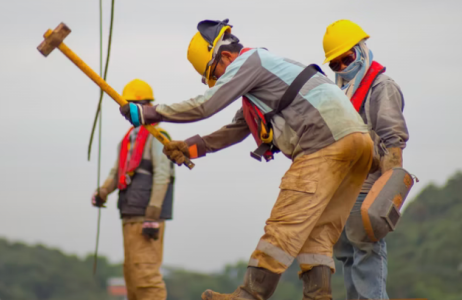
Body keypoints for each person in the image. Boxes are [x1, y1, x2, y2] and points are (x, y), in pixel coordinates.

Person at [120, 19, 373, 300]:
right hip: (357, 144)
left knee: (282, 227)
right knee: (318, 235)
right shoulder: (268, 72)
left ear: (226, 56)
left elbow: (206, 105)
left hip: (324, 144)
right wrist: (191, 148)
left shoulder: (249, 62)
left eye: (216, 76)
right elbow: (237, 129)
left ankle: (249, 295)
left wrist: (152, 113)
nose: (221, 84)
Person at [323, 20, 409, 300]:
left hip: (370, 187)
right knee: (347, 254)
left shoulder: (381, 87)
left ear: (360, 50)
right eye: (336, 64)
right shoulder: (341, 93)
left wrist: (385, 195)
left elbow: (393, 140)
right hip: (344, 189)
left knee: (366, 254)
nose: (343, 67)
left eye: (347, 58)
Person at [92, 79, 175, 300]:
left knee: (146, 277)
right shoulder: (129, 139)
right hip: (129, 213)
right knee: (132, 276)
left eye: (135, 106)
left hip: (146, 216)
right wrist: (102, 192)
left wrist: (153, 214)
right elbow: (117, 171)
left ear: (148, 106)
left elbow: (161, 176)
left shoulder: (158, 137)